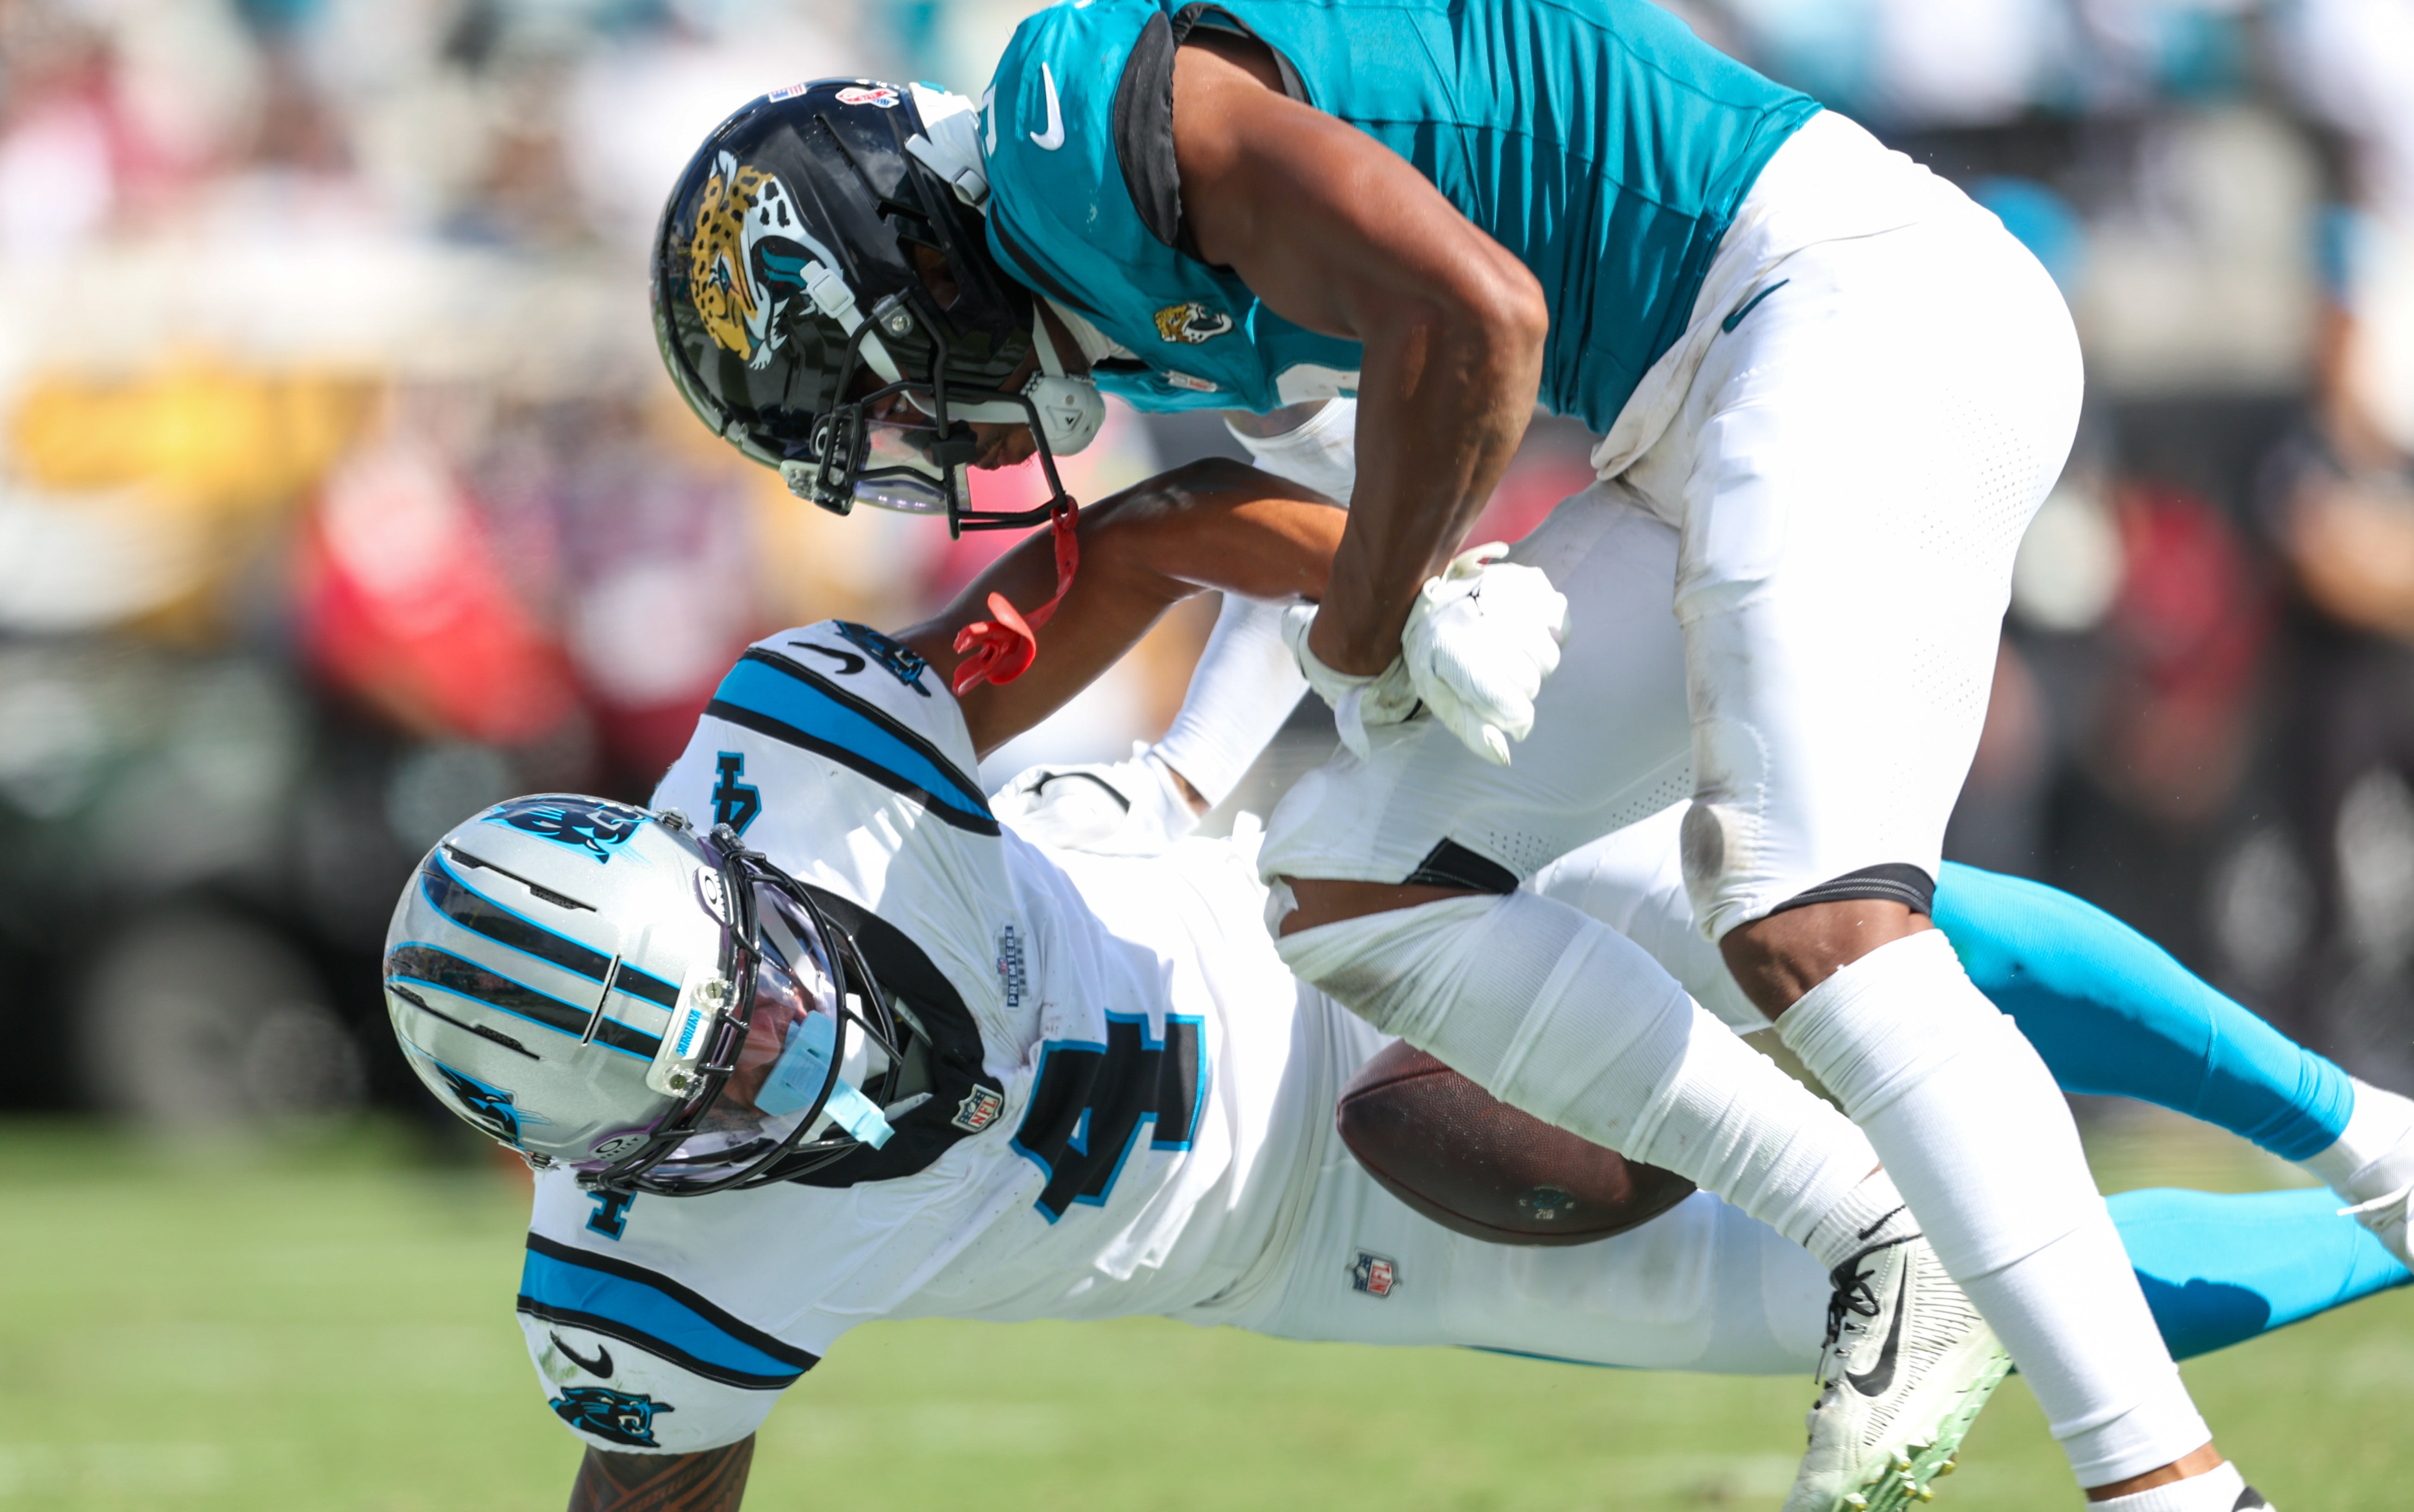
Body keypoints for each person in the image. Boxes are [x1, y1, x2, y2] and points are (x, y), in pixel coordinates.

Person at [641, 0, 2261, 1504]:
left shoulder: (1082, 131)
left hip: (1836, 298)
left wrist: (1376, 620)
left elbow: (1476, 316)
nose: (914, 437)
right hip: (1697, 395)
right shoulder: (1089, 254)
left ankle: (2173, 1484)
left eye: (870, 398)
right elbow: (1342, 470)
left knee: (1811, 911)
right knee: (1350, 876)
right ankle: (1874, 1232)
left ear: (893, 266)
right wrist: (1220, 760)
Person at [387, 469, 2404, 1512]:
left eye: (742, 995)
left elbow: (1161, 534)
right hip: (1312, 1225)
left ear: (731, 883)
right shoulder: (644, 1280)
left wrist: (1387, 588)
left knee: (1858, 946)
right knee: (1915, 1292)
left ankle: (2364, 1134)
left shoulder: (817, 759)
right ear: (598, 1156)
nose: (777, 1051)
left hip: (1291, 907)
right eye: (710, 1080)